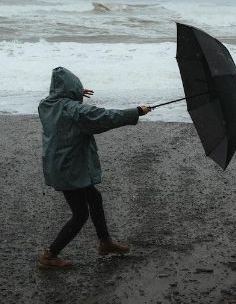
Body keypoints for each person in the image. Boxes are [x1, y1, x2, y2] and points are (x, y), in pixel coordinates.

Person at [37, 66, 152, 269]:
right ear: (71, 89)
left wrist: (75, 94)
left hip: (60, 165)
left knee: (94, 197)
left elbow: (64, 104)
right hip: (69, 169)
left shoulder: (46, 105)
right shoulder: (73, 110)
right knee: (80, 214)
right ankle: (50, 254)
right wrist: (136, 112)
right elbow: (104, 117)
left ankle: (105, 242)